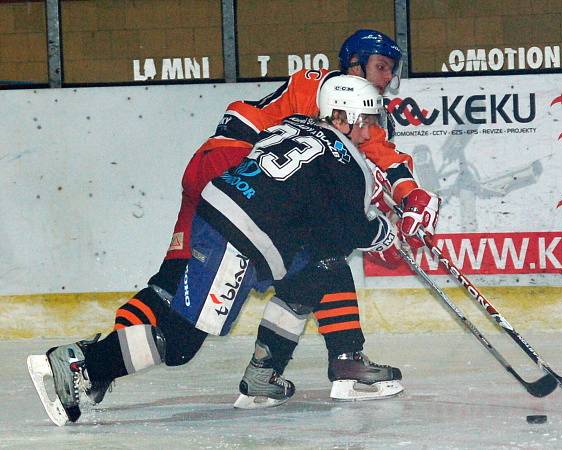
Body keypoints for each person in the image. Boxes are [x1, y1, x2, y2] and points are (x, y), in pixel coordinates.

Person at [27, 75, 427, 426]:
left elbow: (311, 210)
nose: (370, 130)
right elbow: (348, 228)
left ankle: (263, 377)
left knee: (322, 265)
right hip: (238, 236)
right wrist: (386, 233)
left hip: (225, 214)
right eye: (368, 120)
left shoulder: (294, 125)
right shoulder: (348, 162)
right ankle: (82, 363)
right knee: (180, 343)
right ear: (348, 117)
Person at [112, 29, 415, 404]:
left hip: (216, 175)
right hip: (237, 168)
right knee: (323, 256)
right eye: (381, 67)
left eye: (391, 70)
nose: (387, 78)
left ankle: (103, 351)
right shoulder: (335, 89)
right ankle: (344, 362)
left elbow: (364, 156)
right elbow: (373, 155)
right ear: (354, 65)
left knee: (176, 280)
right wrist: (408, 196)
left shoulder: (331, 102)